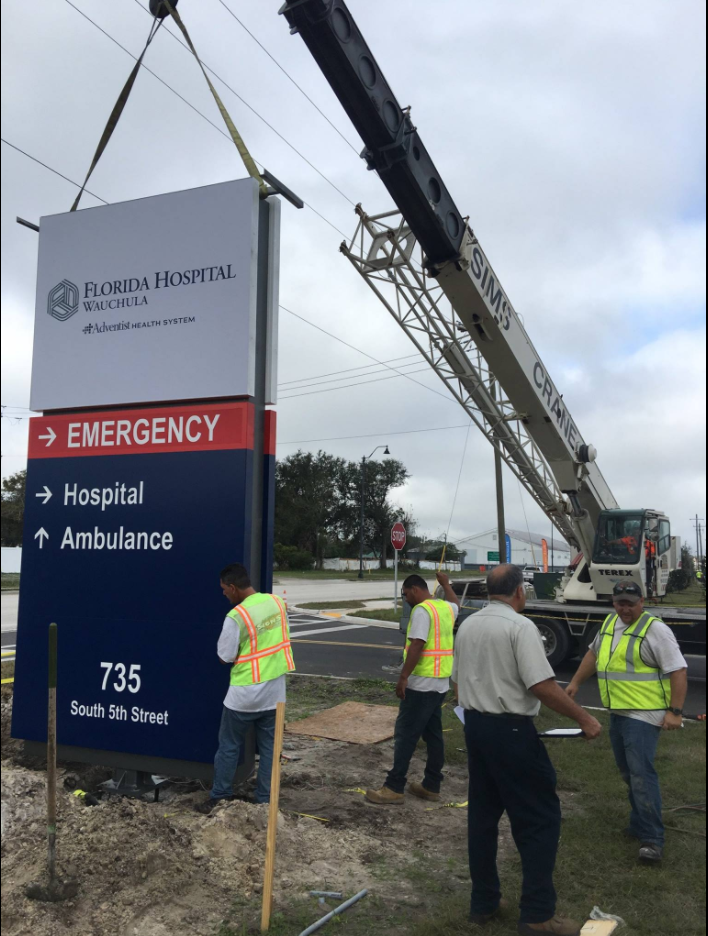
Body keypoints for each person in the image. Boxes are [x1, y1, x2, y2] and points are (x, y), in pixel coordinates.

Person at [454, 564, 601, 936]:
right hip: (511, 731)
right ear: (520, 591)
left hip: (475, 727)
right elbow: (542, 686)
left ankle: (484, 902)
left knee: (482, 818)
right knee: (539, 819)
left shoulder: (468, 625)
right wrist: (585, 718)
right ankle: (538, 915)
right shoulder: (520, 627)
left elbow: (457, 682)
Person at [566, 580, 687, 863]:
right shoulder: (610, 623)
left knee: (641, 774)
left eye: (630, 604)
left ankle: (652, 840)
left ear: (642, 602)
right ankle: (639, 823)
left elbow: (678, 670)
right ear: (613, 603)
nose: (625, 609)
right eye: (620, 603)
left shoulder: (655, 630)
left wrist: (675, 712)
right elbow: (594, 654)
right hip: (619, 712)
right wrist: (575, 682)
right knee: (628, 773)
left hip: (644, 714)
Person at [198, 563, 295, 813]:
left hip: (243, 695)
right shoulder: (277, 603)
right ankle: (265, 801)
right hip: (275, 694)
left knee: (229, 746)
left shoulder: (236, 616)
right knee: (271, 749)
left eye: (224, 589)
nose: (223, 594)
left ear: (233, 587)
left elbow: (225, 656)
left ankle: (220, 796)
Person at [366, 571, 459, 805]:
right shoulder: (445, 608)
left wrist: (403, 677)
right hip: (440, 684)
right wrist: (446, 584)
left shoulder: (422, 611)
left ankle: (394, 786)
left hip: (421, 684)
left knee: (405, 734)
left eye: (406, 594)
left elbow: (417, 644)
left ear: (415, 590)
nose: (406, 599)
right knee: (434, 735)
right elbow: (456, 604)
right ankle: (431, 785)